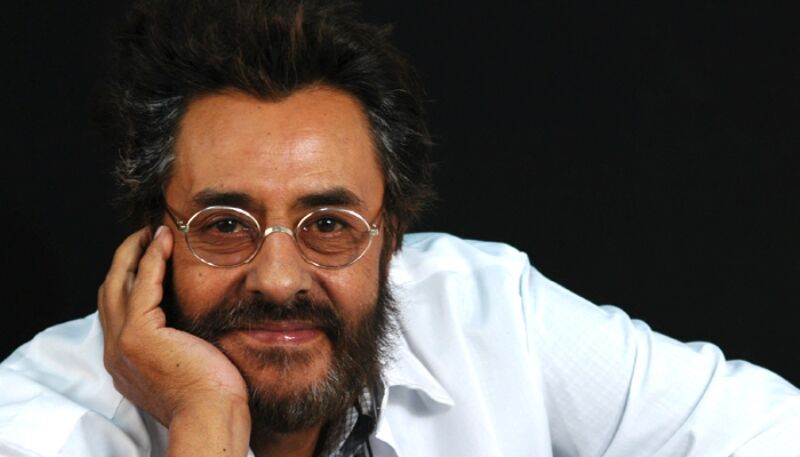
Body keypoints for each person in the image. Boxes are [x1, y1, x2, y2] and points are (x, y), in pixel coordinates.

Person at [1, 0, 798, 456]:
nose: (279, 279)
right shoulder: (37, 416)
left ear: (391, 234)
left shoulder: (488, 313)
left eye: (328, 223)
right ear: (154, 238)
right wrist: (204, 415)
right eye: (225, 224)